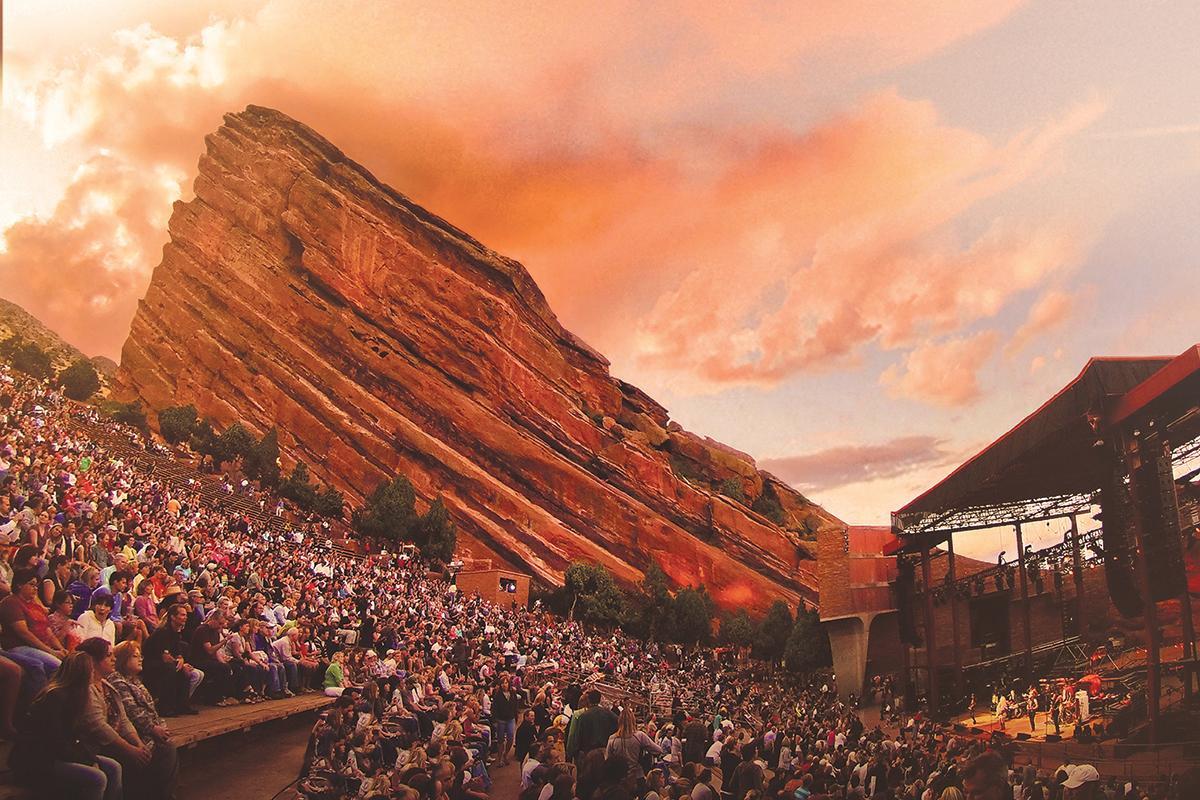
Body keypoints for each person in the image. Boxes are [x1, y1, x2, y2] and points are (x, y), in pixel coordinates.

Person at [10, 651, 124, 800]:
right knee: (97, 778)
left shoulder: (78, 696)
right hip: (38, 759)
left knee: (113, 766)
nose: (93, 673)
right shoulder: (55, 697)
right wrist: (87, 761)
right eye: (91, 670)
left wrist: (88, 758)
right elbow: (54, 742)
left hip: (61, 753)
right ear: (81, 673)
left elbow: (74, 738)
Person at [142, 602, 201, 716]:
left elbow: (177, 652)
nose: (185, 617)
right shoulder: (162, 632)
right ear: (173, 617)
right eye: (182, 615)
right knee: (170, 670)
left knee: (185, 671)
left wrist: (181, 660)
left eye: (186, 615)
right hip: (152, 662)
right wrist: (177, 662)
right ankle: (165, 707)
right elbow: (164, 656)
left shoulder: (177, 633)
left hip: (166, 661)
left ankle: (182, 705)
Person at [605, 705, 661, 780]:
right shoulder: (639, 736)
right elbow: (658, 750)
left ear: (619, 721)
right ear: (633, 720)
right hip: (636, 776)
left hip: (619, 778)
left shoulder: (612, 738)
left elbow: (607, 759)